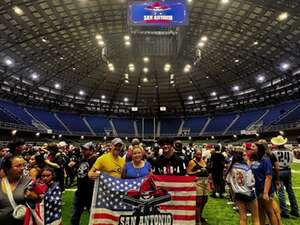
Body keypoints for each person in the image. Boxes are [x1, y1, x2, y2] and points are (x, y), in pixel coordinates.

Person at [226, 149, 259, 225]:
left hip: (238, 194)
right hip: (248, 193)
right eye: (244, 155)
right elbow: (250, 184)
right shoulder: (246, 168)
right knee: (255, 218)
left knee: (242, 217)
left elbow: (228, 181)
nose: (246, 156)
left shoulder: (231, 167)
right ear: (241, 157)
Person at [251, 143, 281, 225]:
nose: (251, 147)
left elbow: (268, 177)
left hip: (266, 190)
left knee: (270, 211)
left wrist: (265, 192)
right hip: (257, 190)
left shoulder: (266, 160)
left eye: (254, 146)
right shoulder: (256, 159)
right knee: (260, 210)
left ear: (259, 149)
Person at [271, 135, 299, 218]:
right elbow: (291, 162)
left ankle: (284, 211)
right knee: (290, 191)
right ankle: (295, 210)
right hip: (288, 170)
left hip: (279, 171)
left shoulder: (274, 152)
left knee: (281, 192)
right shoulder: (290, 152)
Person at [0, 155, 32, 225]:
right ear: (7, 169)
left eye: (23, 165)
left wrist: (35, 197)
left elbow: (36, 202)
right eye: (18, 166)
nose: (22, 168)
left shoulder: (28, 181)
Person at [71, 142, 97, 225]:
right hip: (79, 193)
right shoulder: (82, 159)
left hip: (91, 194)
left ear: (91, 150)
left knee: (93, 217)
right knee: (75, 217)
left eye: (85, 149)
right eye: (82, 149)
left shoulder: (96, 160)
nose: (82, 151)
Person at [187, 148, 209, 225]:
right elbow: (188, 172)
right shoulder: (192, 162)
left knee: (205, 200)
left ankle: (199, 216)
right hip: (198, 182)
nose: (199, 156)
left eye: (200, 154)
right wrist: (197, 171)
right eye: (197, 154)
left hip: (205, 182)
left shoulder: (203, 161)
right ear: (195, 154)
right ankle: (198, 220)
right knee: (199, 201)